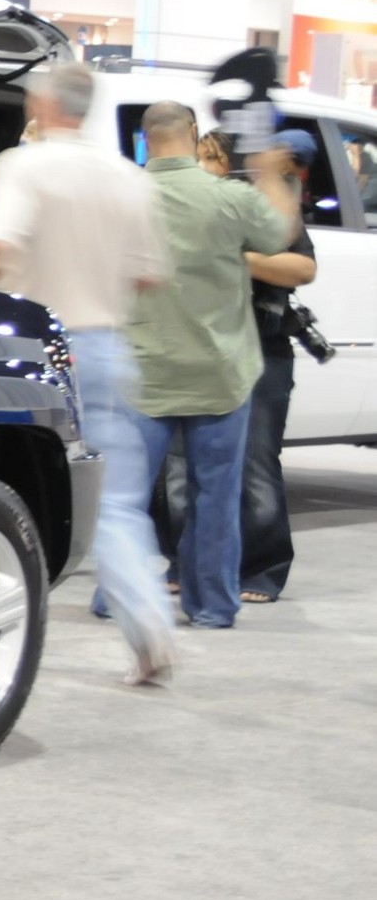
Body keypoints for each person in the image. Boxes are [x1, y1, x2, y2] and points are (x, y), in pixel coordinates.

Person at [0, 62, 174, 684]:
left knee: (2, 489)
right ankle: (151, 632)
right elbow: (149, 275)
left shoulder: (21, 167)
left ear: (44, 105)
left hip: (39, 348)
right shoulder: (129, 178)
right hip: (109, 348)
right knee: (118, 503)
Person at [124, 100, 300, 634]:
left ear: (145, 137)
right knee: (216, 494)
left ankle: (121, 601)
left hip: (141, 370)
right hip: (219, 371)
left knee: (125, 498)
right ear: (193, 133)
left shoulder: (121, 196)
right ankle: (212, 606)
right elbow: (279, 238)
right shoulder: (227, 197)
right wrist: (271, 174)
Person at [161, 126, 319, 604]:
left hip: (261, 353)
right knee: (178, 467)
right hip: (193, 350)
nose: (204, 169)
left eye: (212, 159)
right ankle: (183, 561)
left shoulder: (264, 211)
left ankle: (261, 570)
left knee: (255, 465)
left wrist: (233, 254)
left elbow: (302, 268)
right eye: (199, 158)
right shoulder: (184, 207)